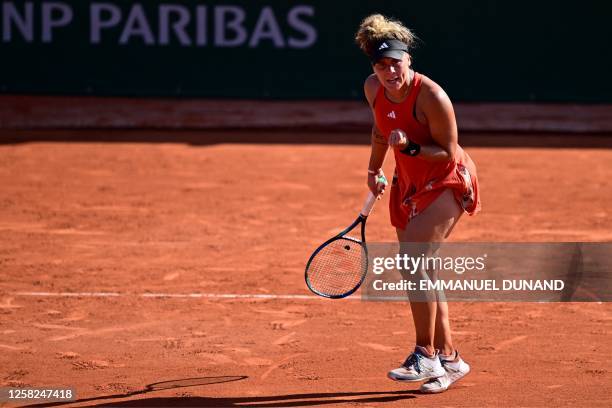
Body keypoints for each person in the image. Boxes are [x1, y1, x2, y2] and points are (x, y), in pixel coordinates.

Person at [355, 14, 481, 394]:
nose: (389, 70)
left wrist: (408, 146)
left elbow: (448, 152)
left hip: (447, 178)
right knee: (424, 270)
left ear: (408, 59)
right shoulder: (373, 89)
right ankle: (452, 359)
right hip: (409, 182)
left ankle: (424, 353)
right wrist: (375, 169)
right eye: (381, 65)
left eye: (395, 62)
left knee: (412, 265)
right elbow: (380, 130)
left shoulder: (431, 96)